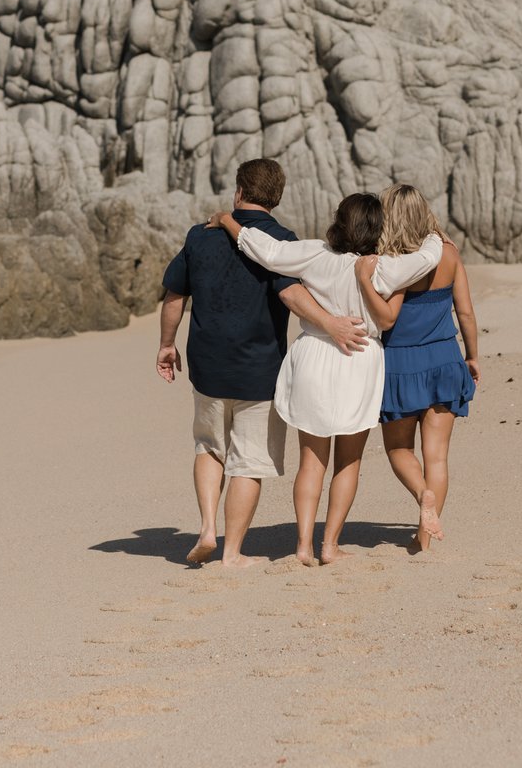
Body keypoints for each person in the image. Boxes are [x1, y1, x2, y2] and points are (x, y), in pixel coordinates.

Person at [158, 159, 367, 569]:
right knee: (248, 462)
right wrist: (331, 324)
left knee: (209, 447)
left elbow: (173, 298)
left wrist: (166, 345)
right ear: (277, 197)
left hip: (207, 366)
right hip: (259, 371)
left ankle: (205, 527)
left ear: (239, 191)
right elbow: (291, 296)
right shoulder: (283, 242)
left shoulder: (200, 237)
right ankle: (232, 552)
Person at [210, 196, 442, 566]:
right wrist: (432, 232)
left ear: (339, 222)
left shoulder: (316, 254)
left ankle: (303, 545)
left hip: (315, 357)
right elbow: (430, 257)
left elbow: (263, 250)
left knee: (310, 462)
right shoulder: (384, 267)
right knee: (347, 462)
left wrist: (226, 220)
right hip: (359, 360)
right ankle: (329, 546)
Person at [355, 183, 479, 554]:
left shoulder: (389, 263)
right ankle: (424, 538)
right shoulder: (449, 254)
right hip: (444, 359)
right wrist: (472, 356)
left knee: (398, 449)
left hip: (400, 365)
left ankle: (422, 494)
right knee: (437, 456)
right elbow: (467, 312)